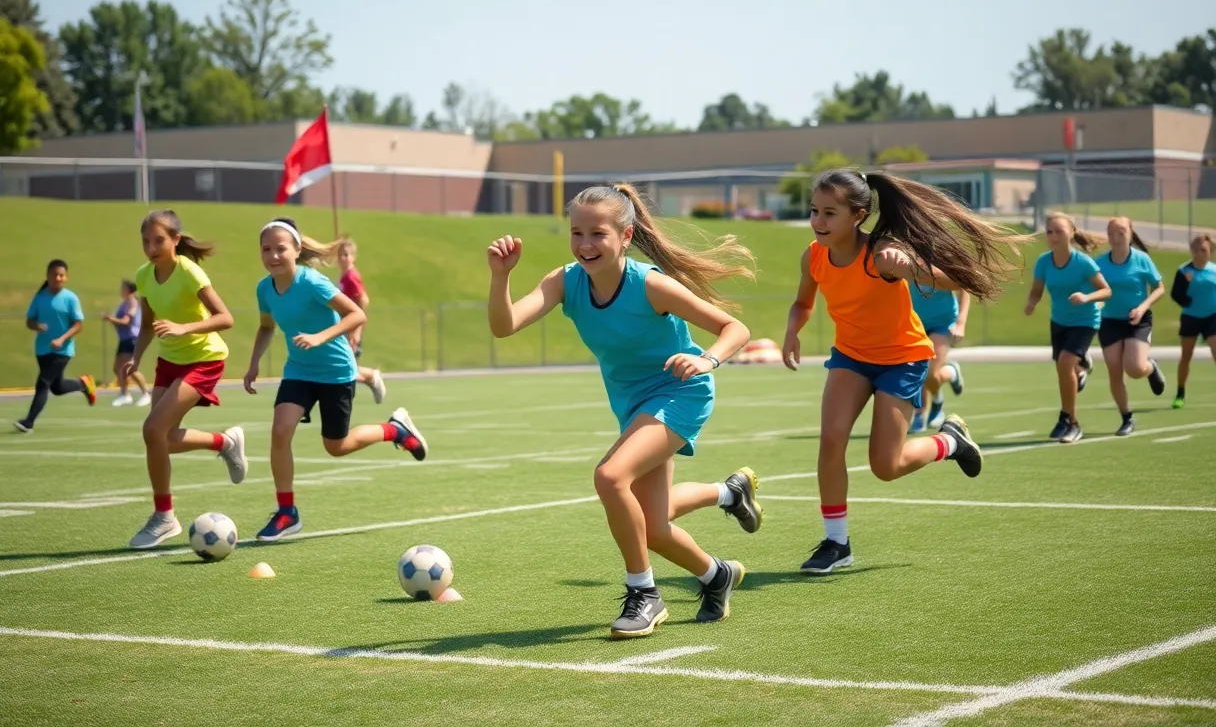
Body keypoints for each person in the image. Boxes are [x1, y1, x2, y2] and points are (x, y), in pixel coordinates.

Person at [486, 184, 762, 639]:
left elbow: (735, 327)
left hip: (680, 393)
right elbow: (504, 326)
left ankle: (645, 594)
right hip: (634, 405)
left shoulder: (651, 284)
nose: (585, 245)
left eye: (598, 234)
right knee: (653, 527)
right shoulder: (565, 281)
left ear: (626, 235)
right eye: (577, 233)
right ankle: (717, 574)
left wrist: (706, 359)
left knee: (610, 477)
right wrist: (501, 276)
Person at [783, 170, 1023, 574]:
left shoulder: (882, 254)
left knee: (886, 466)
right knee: (831, 439)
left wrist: (912, 268)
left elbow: (956, 279)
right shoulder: (814, 255)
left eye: (829, 213)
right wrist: (793, 331)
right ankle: (836, 543)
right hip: (851, 357)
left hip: (902, 358)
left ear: (858, 215)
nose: (818, 221)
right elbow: (803, 303)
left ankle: (948, 442)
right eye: (814, 211)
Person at [244, 218, 428, 542]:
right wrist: (253, 363)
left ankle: (393, 429)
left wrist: (320, 337)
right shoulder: (264, 288)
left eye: (280, 248)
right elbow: (267, 327)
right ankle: (287, 512)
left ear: (297, 250)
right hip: (299, 371)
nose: (273, 255)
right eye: (266, 249)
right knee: (280, 430)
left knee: (336, 447)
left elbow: (357, 313)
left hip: (335, 373)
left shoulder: (312, 282)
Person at [121, 210, 247, 549]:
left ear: (175, 240)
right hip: (170, 360)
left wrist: (184, 327)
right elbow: (147, 325)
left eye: (159, 240)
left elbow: (226, 318)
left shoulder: (190, 272)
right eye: (145, 241)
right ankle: (225, 442)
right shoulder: (144, 276)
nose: (151, 247)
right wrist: (136, 357)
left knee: (152, 431)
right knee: (159, 439)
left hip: (204, 359)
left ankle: (164, 517)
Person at [1024, 213, 1112, 443]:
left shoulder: (1083, 262)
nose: (1052, 236)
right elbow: (1036, 290)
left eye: (1059, 231)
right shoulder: (1044, 261)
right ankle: (1078, 375)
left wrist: (1086, 297)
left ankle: (1073, 423)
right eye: (1049, 231)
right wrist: (1032, 303)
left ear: (1071, 233)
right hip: (1059, 321)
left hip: (1085, 321)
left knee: (1065, 363)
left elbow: (1106, 291)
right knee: (1064, 371)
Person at [1095, 217, 1167, 435]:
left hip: (1137, 321)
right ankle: (1127, 418)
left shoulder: (1141, 260)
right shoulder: (1100, 263)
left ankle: (1151, 367)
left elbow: (1159, 288)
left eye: (1121, 232)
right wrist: (1096, 305)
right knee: (1114, 371)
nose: (1116, 238)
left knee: (1135, 368)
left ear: (1130, 234)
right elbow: (1097, 291)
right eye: (1111, 234)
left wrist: (1142, 308)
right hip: (1110, 322)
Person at [301, 238, 383, 423]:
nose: (344, 259)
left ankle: (370, 376)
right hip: (343, 326)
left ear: (354, 257)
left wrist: (356, 329)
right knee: (339, 367)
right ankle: (368, 378)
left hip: (350, 326)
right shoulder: (344, 277)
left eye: (347, 255)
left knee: (343, 368)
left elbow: (363, 300)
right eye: (341, 255)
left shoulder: (351, 277)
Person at [13, 259, 96, 432]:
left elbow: (78, 324)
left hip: (63, 350)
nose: (58, 278)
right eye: (54, 275)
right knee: (57, 387)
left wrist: (61, 339)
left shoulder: (70, 298)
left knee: (43, 382)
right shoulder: (40, 297)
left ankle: (28, 422)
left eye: (62, 275)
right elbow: (29, 320)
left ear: (66, 277)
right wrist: (37, 326)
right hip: (42, 349)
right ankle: (83, 384)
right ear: (48, 276)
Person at [909, 286, 969, 432]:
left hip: (943, 322)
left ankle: (938, 399)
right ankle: (920, 414)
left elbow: (963, 287)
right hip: (914, 322)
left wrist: (960, 323)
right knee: (915, 369)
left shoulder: (942, 263)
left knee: (929, 372)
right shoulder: (903, 262)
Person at [1170, 233, 1216, 409]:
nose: (1198, 253)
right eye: (1195, 249)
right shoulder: (1184, 271)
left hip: (1212, 317)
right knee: (1186, 356)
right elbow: (1176, 295)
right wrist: (1186, 291)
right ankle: (1180, 393)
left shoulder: (1214, 270)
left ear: (1210, 251)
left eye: (1203, 250)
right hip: (1191, 317)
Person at [103, 279, 151, 407]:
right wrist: (111, 319)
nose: (121, 290)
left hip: (132, 339)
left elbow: (126, 321)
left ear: (128, 290)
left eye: (122, 288)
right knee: (118, 368)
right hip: (124, 339)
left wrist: (110, 318)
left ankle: (145, 394)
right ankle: (125, 394)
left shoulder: (132, 302)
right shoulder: (124, 303)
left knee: (129, 368)